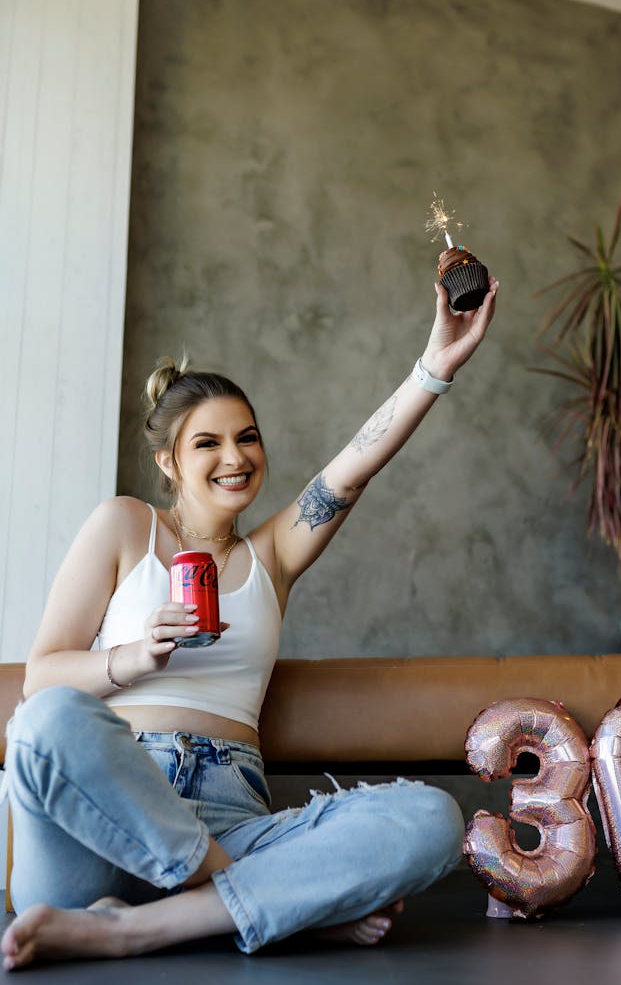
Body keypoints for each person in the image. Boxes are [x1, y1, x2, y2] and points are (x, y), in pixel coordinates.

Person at [1, 277, 498, 970]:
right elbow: (41, 677)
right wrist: (134, 658)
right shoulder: (124, 525)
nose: (234, 457)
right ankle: (262, 901)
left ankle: (135, 928)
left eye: (248, 438)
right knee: (47, 721)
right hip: (104, 818)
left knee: (433, 820)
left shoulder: (273, 554)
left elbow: (351, 471)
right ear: (168, 461)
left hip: (234, 812)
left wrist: (435, 367)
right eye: (208, 443)